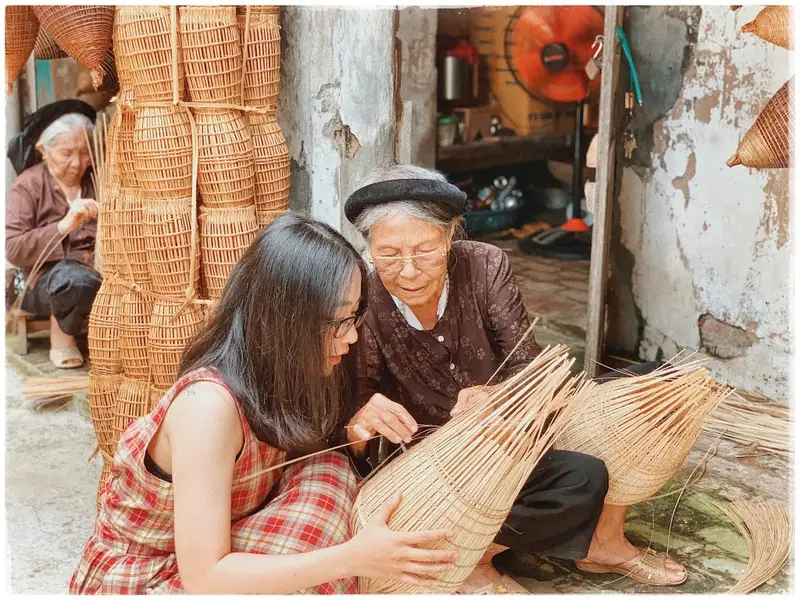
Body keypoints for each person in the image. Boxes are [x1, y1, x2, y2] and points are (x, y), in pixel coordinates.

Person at [69, 213, 457, 595]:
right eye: (339, 321)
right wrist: (352, 558)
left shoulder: (287, 373)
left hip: (216, 546)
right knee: (319, 537)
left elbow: (307, 457)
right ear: (287, 321)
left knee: (329, 473)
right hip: (151, 579)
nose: (352, 337)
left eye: (354, 316)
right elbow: (204, 578)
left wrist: (351, 435)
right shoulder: (207, 408)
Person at [342, 165, 688, 591]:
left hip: (511, 433)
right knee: (581, 481)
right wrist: (359, 421)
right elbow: (356, 411)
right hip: (436, 470)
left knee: (652, 388)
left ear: (450, 237)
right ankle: (471, 561)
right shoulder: (362, 293)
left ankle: (603, 542)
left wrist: (499, 397)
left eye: (425, 250)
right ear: (369, 249)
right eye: (389, 254)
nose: (409, 271)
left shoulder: (485, 265)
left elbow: (530, 367)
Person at [6, 104, 101, 368]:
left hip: (95, 270)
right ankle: (63, 336)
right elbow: (13, 248)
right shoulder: (29, 184)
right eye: (66, 153)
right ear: (43, 152)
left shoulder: (97, 180)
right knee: (72, 279)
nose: (77, 162)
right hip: (43, 282)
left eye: (84, 152)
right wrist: (64, 225)